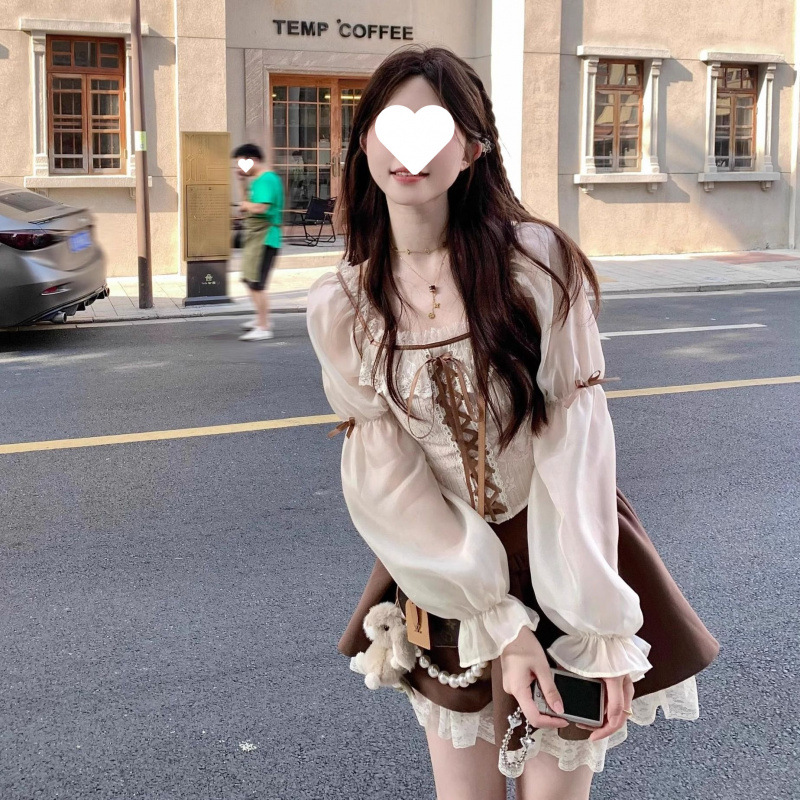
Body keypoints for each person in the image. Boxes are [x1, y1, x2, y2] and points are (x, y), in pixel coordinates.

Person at [305, 45, 719, 800]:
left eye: (435, 127)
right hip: (442, 572)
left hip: (563, 549)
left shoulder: (535, 266)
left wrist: (594, 624)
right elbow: (386, 479)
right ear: (363, 142)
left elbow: (575, 445)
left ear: (472, 149)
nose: (410, 149)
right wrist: (495, 619)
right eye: (391, 126)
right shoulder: (345, 307)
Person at [232, 143, 284, 341]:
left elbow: (261, 207)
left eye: (241, 163)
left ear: (252, 160)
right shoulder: (258, 180)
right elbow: (248, 202)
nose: (239, 167)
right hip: (257, 239)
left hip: (265, 239)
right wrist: (242, 182)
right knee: (249, 280)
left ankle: (264, 326)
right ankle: (260, 319)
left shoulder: (265, 179)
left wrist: (245, 205)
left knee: (257, 284)